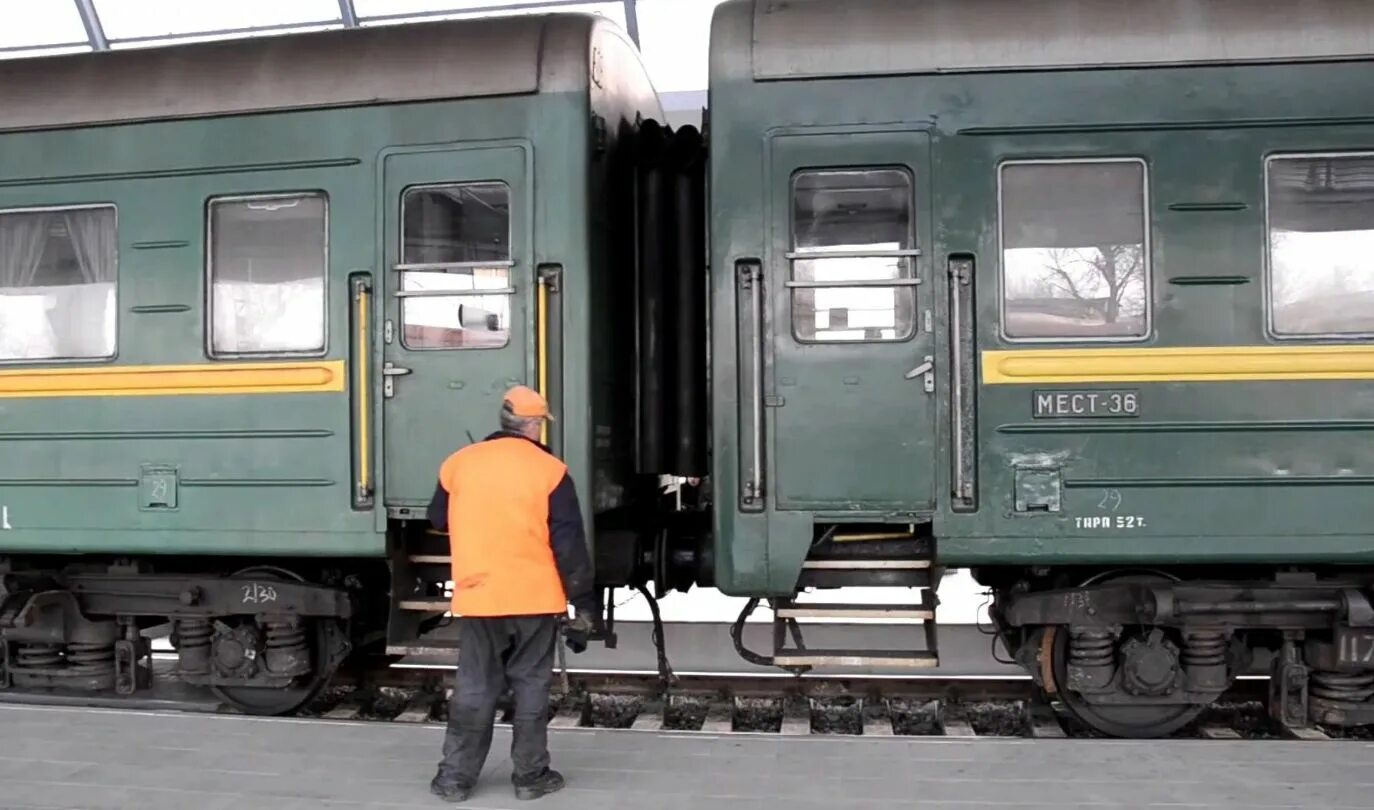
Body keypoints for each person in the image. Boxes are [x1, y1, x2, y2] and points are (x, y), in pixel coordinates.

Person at [426, 385, 596, 803]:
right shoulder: (550, 470)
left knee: (474, 687)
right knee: (531, 684)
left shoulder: (459, 464)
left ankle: (455, 779)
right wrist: (585, 603)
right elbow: (568, 545)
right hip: (535, 598)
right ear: (534, 425)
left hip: (480, 597)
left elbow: (437, 519)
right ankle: (530, 777)